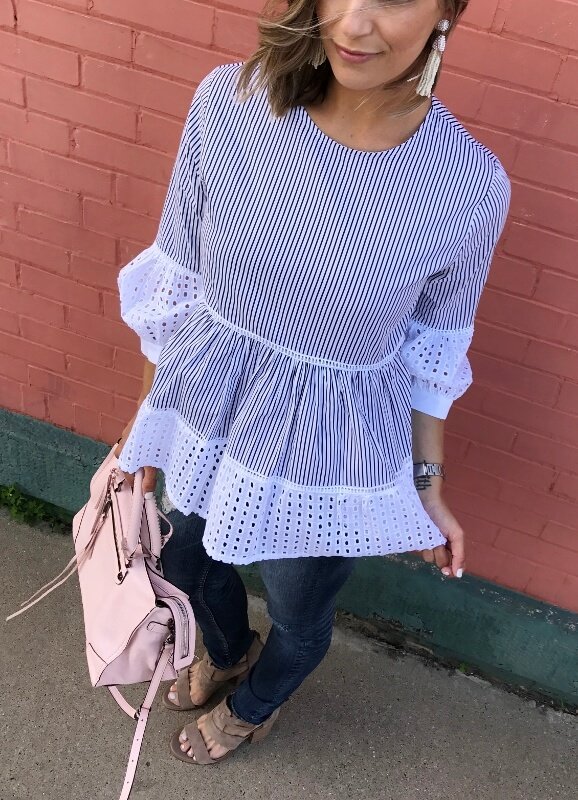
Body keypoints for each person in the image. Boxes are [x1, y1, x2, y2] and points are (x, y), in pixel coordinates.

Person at [115, 0, 510, 766]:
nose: (354, 23)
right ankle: (228, 653)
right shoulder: (228, 101)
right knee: (187, 565)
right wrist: (143, 422)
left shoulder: (468, 185)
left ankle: (258, 703)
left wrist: (426, 483)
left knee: (299, 614)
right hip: (208, 408)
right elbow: (177, 285)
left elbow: (433, 353)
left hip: (328, 452)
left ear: (447, 11)